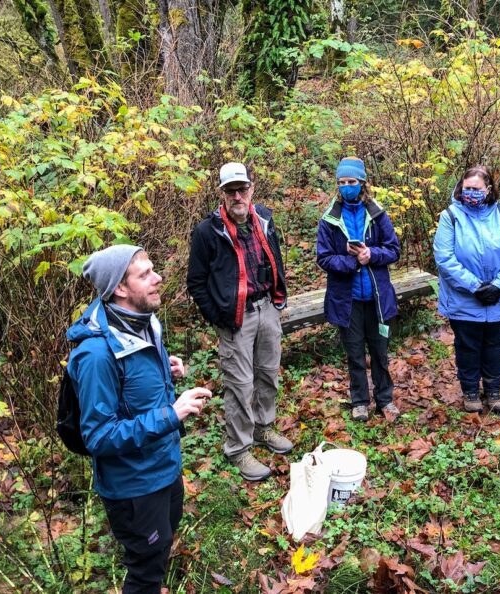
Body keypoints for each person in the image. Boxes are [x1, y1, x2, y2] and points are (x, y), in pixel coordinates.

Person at [66, 245, 211, 593]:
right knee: (145, 571)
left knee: (160, 547)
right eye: (144, 274)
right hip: (134, 489)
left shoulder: (144, 322)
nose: (158, 278)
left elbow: (133, 386)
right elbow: (98, 436)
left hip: (165, 467)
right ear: (119, 288)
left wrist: (165, 368)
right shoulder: (96, 354)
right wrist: (172, 414)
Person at [187, 162, 292, 482]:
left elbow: (273, 259)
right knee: (239, 384)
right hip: (235, 319)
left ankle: (263, 428)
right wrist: (218, 317)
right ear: (222, 193)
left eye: (242, 188)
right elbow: (196, 282)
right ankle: (238, 448)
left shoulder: (263, 219)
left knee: (267, 374)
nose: (237, 195)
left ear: (251, 189)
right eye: (230, 190)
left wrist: (278, 299)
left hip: (267, 310)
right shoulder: (208, 231)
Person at [433, 165, 500, 413]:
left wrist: (499, 285)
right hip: (464, 297)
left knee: (494, 344)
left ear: (488, 189)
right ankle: (471, 391)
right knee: (468, 345)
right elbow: (444, 258)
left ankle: (494, 390)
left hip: (499, 296)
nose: (470, 193)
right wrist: (475, 287)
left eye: (476, 189)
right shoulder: (451, 216)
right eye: (466, 189)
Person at [316, 157, 401, 422]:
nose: (346, 187)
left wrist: (371, 254)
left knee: (379, 351)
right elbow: (323, 257)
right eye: (341, 183)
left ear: (362, 183)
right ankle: (360, 401)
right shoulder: (330, 219)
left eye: (351, 182)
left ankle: (385, 400)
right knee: (354, 353)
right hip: (347, 299)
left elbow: (394, 249)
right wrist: (352, 261)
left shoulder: (377, 213)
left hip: (376, 297)